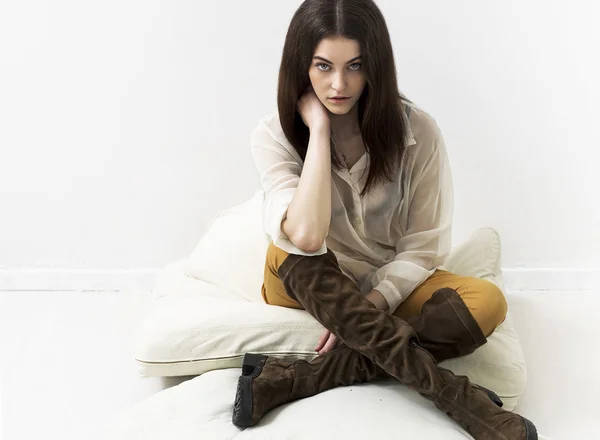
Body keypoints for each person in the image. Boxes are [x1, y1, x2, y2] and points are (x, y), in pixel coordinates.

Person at [232, 1, 538, 438]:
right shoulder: (274, 134)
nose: (339, 84)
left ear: (375, 64)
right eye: (323, 66)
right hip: (301, 277)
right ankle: (466, 404)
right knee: (294, 250)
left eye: (354, 66)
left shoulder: (419, 133)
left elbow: (424, 245)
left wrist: (366, 310)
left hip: (381, 278)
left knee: (486, 303)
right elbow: (303, 235)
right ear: (301, 66)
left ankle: (296, 378)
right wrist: (318, 133)